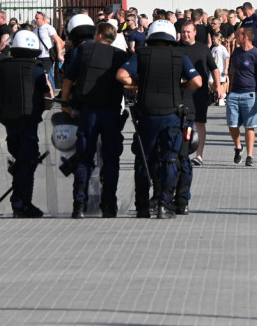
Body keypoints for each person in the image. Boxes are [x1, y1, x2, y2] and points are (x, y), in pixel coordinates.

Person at [117, 19, 201, 219]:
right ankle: (165, 203)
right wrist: (179, 87)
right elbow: (197, 81)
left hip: (147, 115)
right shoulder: (179, 55)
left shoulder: (142, 54)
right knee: (171, 159)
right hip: (172, 115)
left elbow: (121, 75)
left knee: (144, 160)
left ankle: (142, 206)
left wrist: (139, 84)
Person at [61, 21, 129, 218]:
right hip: (111, 114)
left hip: (89, 112)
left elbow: (67, 81)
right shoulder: (120, 55)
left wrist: (65, 103)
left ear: (98, 34)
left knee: (84, 158)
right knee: (111, 160)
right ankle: (109, 205)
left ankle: (79, 206)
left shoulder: (85, 50)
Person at [0, 29, 51, 218]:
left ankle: (20, 200)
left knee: (20, 159)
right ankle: (22, 204)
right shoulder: (37, 68)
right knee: (28, 161)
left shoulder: (4, 67)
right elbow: (48, 96)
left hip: (9, 122)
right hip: (29, 120)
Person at [175, 21, 221, 210]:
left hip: (200, 92)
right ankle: (181, 151)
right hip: (181, 93)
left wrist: (218, 86)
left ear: (194, 33)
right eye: (183, 32)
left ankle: (199, 155)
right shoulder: (175, 48)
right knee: (181, 124)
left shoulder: (203, 48)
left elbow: (214, 68)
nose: (185, 35)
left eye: (188, 32)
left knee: (199, 123)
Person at [226, 26, 257, 167]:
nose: (235, 37)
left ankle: (250, 156)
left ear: (245, 37)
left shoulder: (256, 54)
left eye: (238, 34)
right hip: (234, 94)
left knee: (250, 126)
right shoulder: (236, 52)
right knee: (232, 125)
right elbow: (232, 73)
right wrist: (229, 92)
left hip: (251, 94)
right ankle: (238, 147)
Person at [33, 11, 64, 95]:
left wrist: (59, 55)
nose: (35, 20)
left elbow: (57, 41)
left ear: (43, 19)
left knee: (48, 77)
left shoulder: (48, 28)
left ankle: (52, 97)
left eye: (37, 18)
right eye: (35, 18)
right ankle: (44, 95)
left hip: (47, 57)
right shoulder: (35, 30)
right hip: (39, 57)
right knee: (41, 77)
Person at [210, 30, 230, 106]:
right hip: (214, 69)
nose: (213, 41)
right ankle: (221, 94)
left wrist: (226, 68)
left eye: (214, 39)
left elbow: (227, 58)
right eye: (212, 39)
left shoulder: (222, 48)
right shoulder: (213, 48)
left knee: (220, 83)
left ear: (219, 40)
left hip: (221, 69)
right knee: (211, 82)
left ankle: (221, 98)